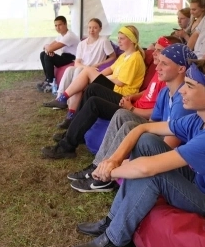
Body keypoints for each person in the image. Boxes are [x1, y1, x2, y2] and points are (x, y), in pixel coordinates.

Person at [71, 59, 205, 247]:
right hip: (203, 182)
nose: (182, 91)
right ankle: (112, 220)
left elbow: (147, 170)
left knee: (152, 175)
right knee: (146, 141)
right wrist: (113, 160)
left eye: (190, 85)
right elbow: (142, 128)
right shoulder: (202, 118)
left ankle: (116, 240)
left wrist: (106, 173)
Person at [68, 43, 197, 192]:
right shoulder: (165, 91)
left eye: (164, 64)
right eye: (159, 61)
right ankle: (99, 166)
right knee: (122, 114)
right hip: (159, 135)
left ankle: (105, 177)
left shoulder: (183, 100)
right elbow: (152, 122)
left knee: (130, 125)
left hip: (168, 147)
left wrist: (137, 139)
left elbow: (170, 144)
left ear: (181, 69)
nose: (157, 67)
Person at [41, 36, 181, 159]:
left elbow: (157, 112)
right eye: (155, 49)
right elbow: (148, 92)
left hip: (135, 111)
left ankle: (66, 146)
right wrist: (133, 97)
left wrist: (131, 108)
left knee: (94, 102)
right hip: (131, 102)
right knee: (92, 88)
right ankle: (72, 131)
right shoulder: (159, 70)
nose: (155, 53)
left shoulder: (164, 75)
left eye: (160, 50)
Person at [52, 25, 145, 128]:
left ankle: (64, 99)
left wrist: (98, 78)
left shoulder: (135, 59)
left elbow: (120, 82)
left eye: (122, 38)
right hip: (116, 87)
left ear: (132, 40)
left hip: (122, 93)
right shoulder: (124, 55)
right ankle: (71, 114)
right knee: (85, 78)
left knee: (87, 71)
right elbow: (109, 69)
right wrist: (97, 76)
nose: (119, 41)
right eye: (118, 38)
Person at [44, 18, 115, 109]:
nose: (91, 30)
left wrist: (100, 64)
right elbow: (77, 62)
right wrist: (85, 67)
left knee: (78, 71)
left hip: (93, 70)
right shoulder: (82, 43)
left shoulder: (103, 41)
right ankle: (59, 98)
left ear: (100, 29)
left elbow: (113, 57)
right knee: (70, 69)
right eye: (89, 28)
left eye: (95, 28)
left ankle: (71, 103)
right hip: (83, 67)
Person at [37, 16, 80, 92]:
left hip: (72, 59)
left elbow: (49, 48)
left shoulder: (69, 36)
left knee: (47, 55)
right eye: (56, 25)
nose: (57, 27)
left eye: (60, 25)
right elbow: (49, 47)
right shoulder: (61, 35)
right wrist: (48, 49)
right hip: (65, 56)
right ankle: (47, 79)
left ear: (65, 24)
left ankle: (50, 83)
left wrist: (48, 48)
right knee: (43, 54)